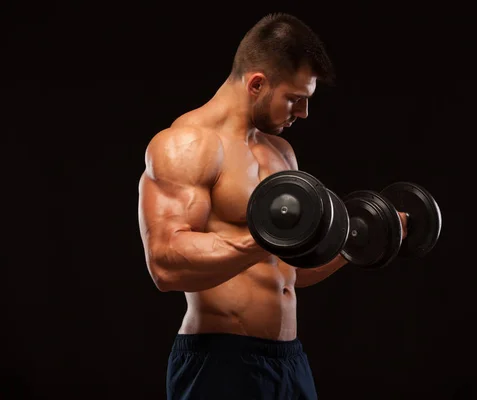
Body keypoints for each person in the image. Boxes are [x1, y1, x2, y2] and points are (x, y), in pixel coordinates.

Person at [138, 13, 408, 399]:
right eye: (295, 99)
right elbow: (165, 262)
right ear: (257, 83)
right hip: (220, 361)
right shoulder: (186, 145)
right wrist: (266, 239)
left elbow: (288, 272)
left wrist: (357, 240)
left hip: (288, 360)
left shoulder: (280, 152)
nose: (303, 113)